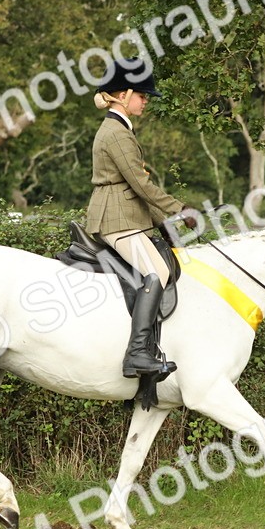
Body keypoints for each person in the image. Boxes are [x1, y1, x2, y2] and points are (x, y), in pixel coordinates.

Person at [85, 59, 198, 379]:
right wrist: (180, 210)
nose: (146, 100)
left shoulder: (119, 129)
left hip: (125, 215)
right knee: (158, 270)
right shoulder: (116, 134)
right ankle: (136, 353)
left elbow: (138, 189)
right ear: (122, 95)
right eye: (142, 95)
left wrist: (165, 221)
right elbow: (141, 184)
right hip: (116, 220)